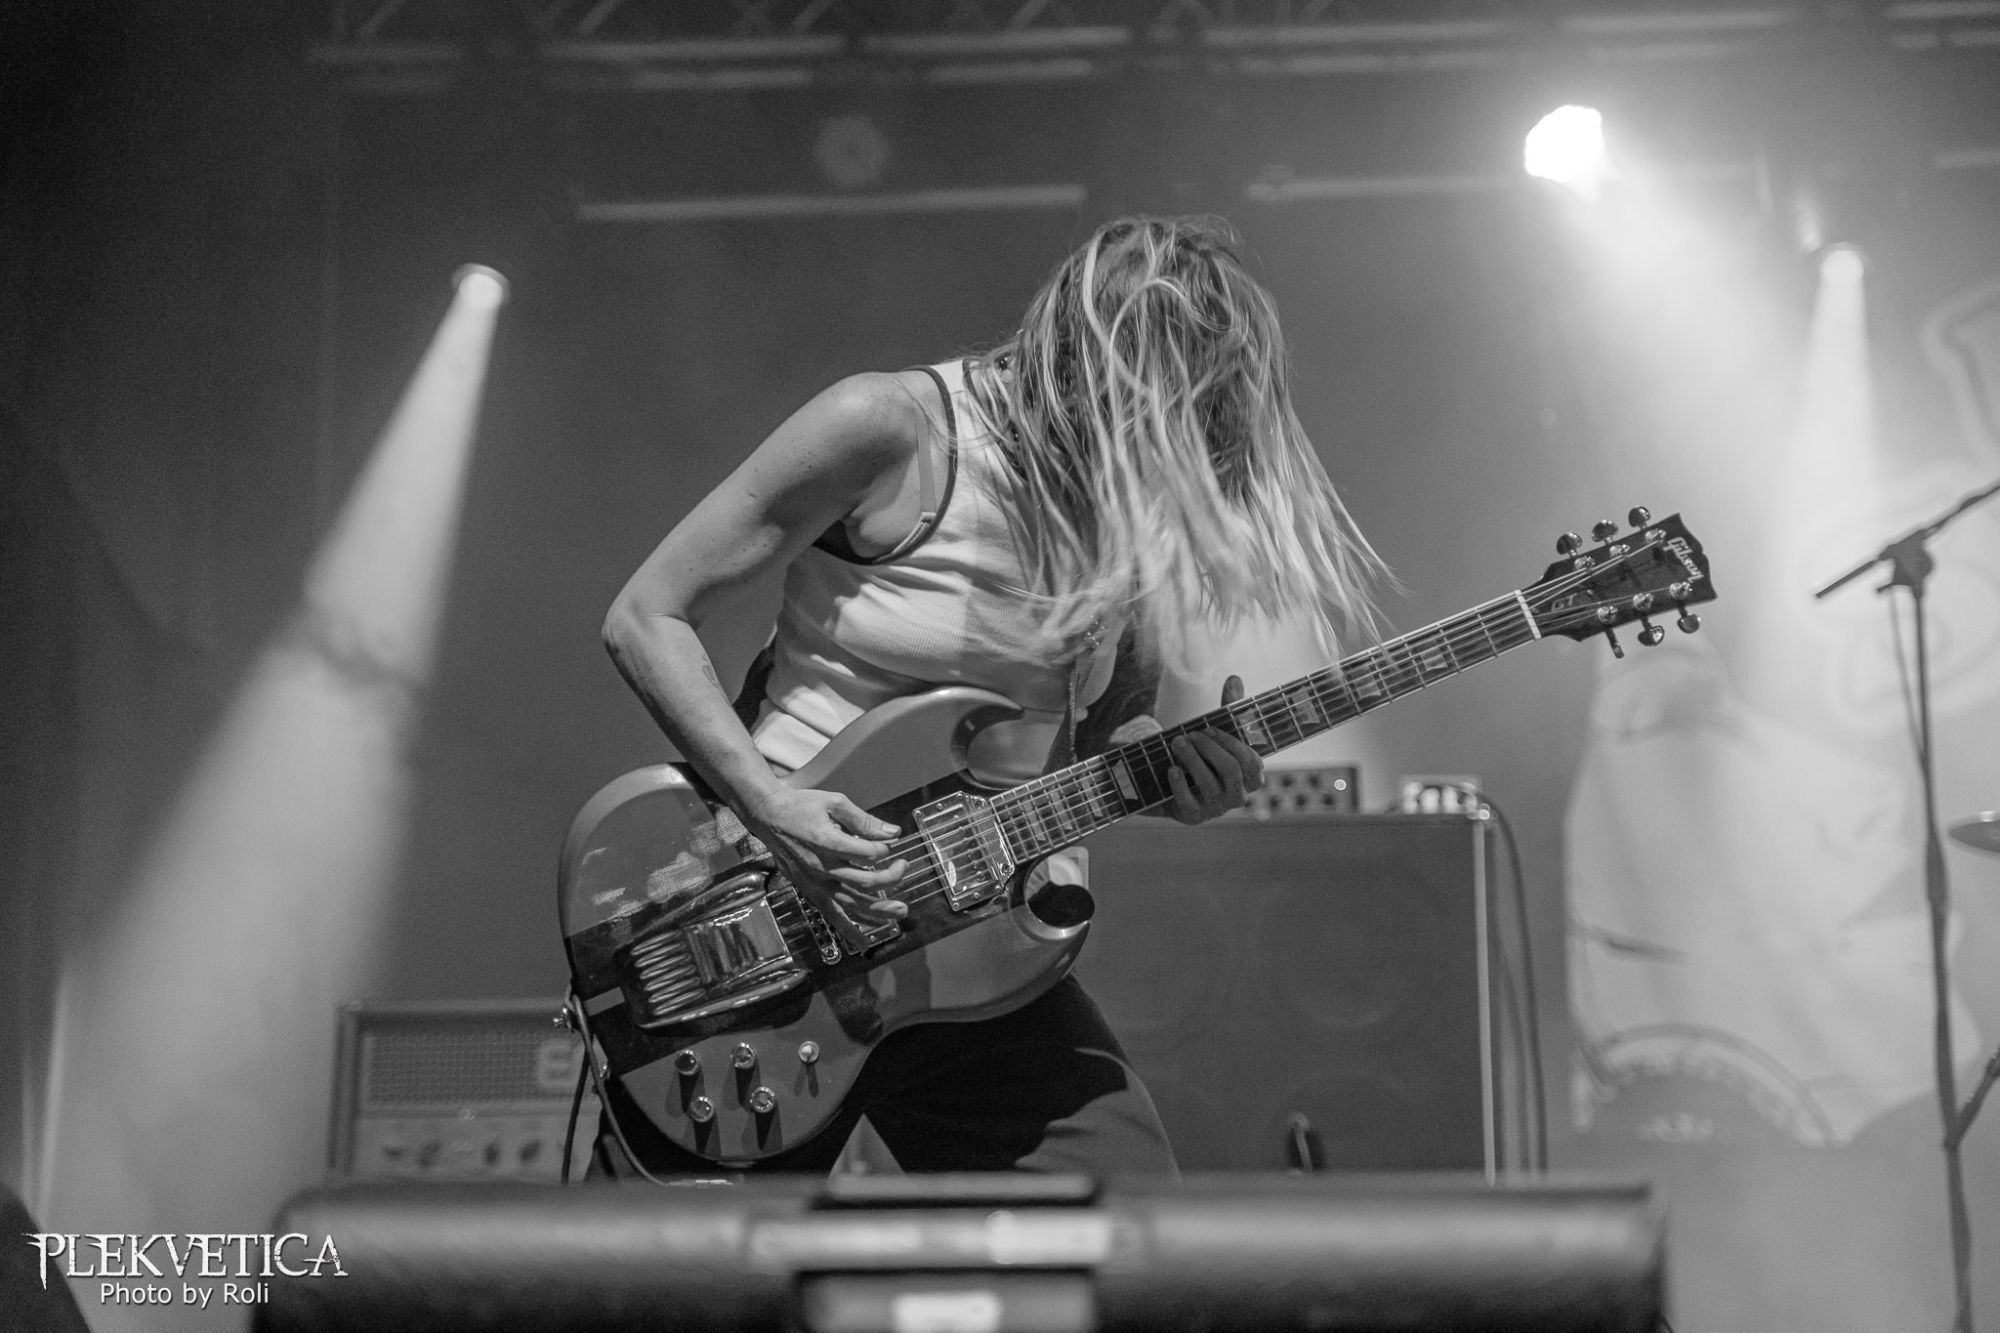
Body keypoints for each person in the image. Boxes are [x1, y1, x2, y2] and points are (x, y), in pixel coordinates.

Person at [596, 215, 1386, 1177]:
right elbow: (647, 615)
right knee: (670, 1261)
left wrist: (1178, 781)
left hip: (977, 951)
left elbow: (1102, 734)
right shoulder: (891, 428)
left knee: (1125, 1220)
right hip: (768, 927)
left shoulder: (1128, 519)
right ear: (1098, 375)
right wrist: (769, 807)